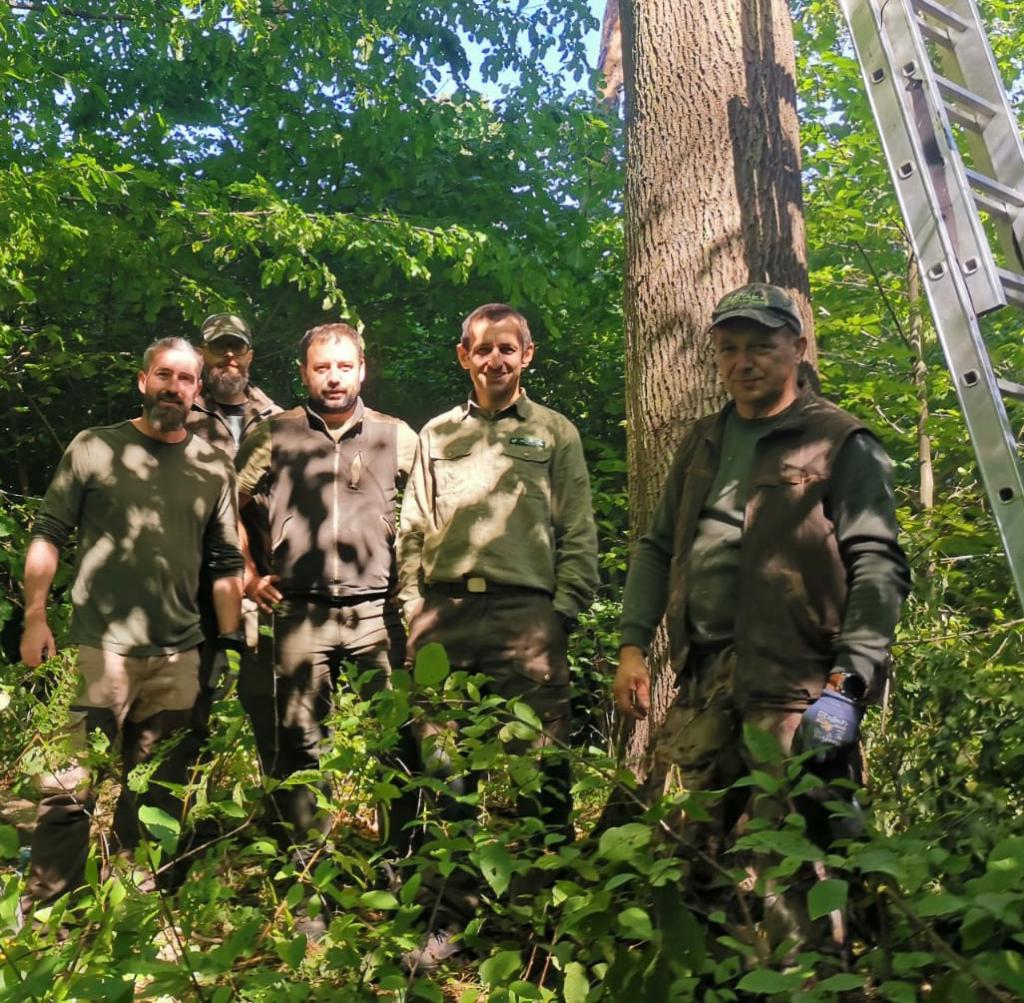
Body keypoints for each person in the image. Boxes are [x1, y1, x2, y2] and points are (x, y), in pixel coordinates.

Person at [611, 283, 911, 952]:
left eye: (760, 347)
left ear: (798, 348)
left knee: (798, 867)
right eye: (729, 349)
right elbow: (656, 548)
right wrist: (633, 646)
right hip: (705, 677)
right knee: (691, 856)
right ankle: (710, 980)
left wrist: (848, 686)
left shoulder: (840, 441)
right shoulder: (704, 440)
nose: (742, 362)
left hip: (796, 688)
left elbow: (878, 565)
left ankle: (827, 979)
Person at [397, 303, 600, 967]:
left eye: (507, 348)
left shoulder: (555, 432)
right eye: (482, 349)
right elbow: (412, 527)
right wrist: (412, 607)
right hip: (444, 617)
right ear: (464, 357)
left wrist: (561, 614)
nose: (495, 360)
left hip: (527, 618)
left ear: (527, 354)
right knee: (445, 772)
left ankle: (546, 926)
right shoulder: (436, 433)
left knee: (543, 771)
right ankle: (448, 922)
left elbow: (577, 530)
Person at [20, 337, 243, 905]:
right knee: (69, 790)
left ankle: (132, 907)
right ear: (143, 381)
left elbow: (225, 562)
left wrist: (230, 642)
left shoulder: (213, 464)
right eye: (164, 375)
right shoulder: (95, 447)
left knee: (158, 791)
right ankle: (49, 911)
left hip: (178, 655)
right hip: (100, 651)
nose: (174, 387)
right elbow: (49, 532)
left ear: (197, 390)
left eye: (186, 379)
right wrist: (35, 617)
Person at [234, 323, 419, 867]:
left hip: (378, 613)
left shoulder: (395, 435)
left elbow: (432, 507)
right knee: (300, 742)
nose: (333, 378)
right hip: (300, 612)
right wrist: (249, 574)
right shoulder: (276, 434)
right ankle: (309, 869)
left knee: (396, 738)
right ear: (304, 373)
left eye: (343, 366)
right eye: (322, 368)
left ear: (362, 369)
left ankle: (397, 862)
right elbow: (226, 504)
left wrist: (416, 583)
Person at [184, 313, 280, 780]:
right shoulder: (182, 415)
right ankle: (185, 805)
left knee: (269, 702)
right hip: (196, 583)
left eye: (236, 347)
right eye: (218, 347)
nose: (228, 356)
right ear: (202, 355)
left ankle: (278, 803)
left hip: (264, 584)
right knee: (194, 700)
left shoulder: (278, 419)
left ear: (249, 356)